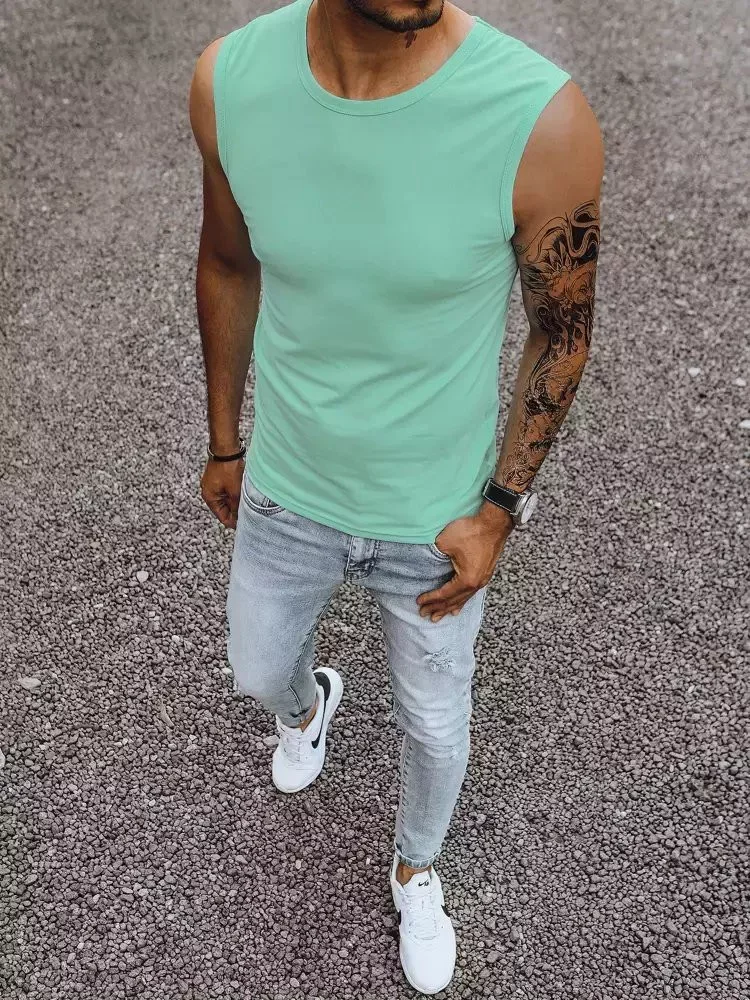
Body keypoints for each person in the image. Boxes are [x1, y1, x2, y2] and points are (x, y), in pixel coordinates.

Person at [189, 0, 602, 993]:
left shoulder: (539, 117)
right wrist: (224, 442)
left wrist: (498, 511)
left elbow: (563, 331)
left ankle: (416, 869)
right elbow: (228, 263)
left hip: (436, 520)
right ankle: (308, 709)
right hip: (288, 485)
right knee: (258, 670)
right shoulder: (230, 83)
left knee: (437, 729)